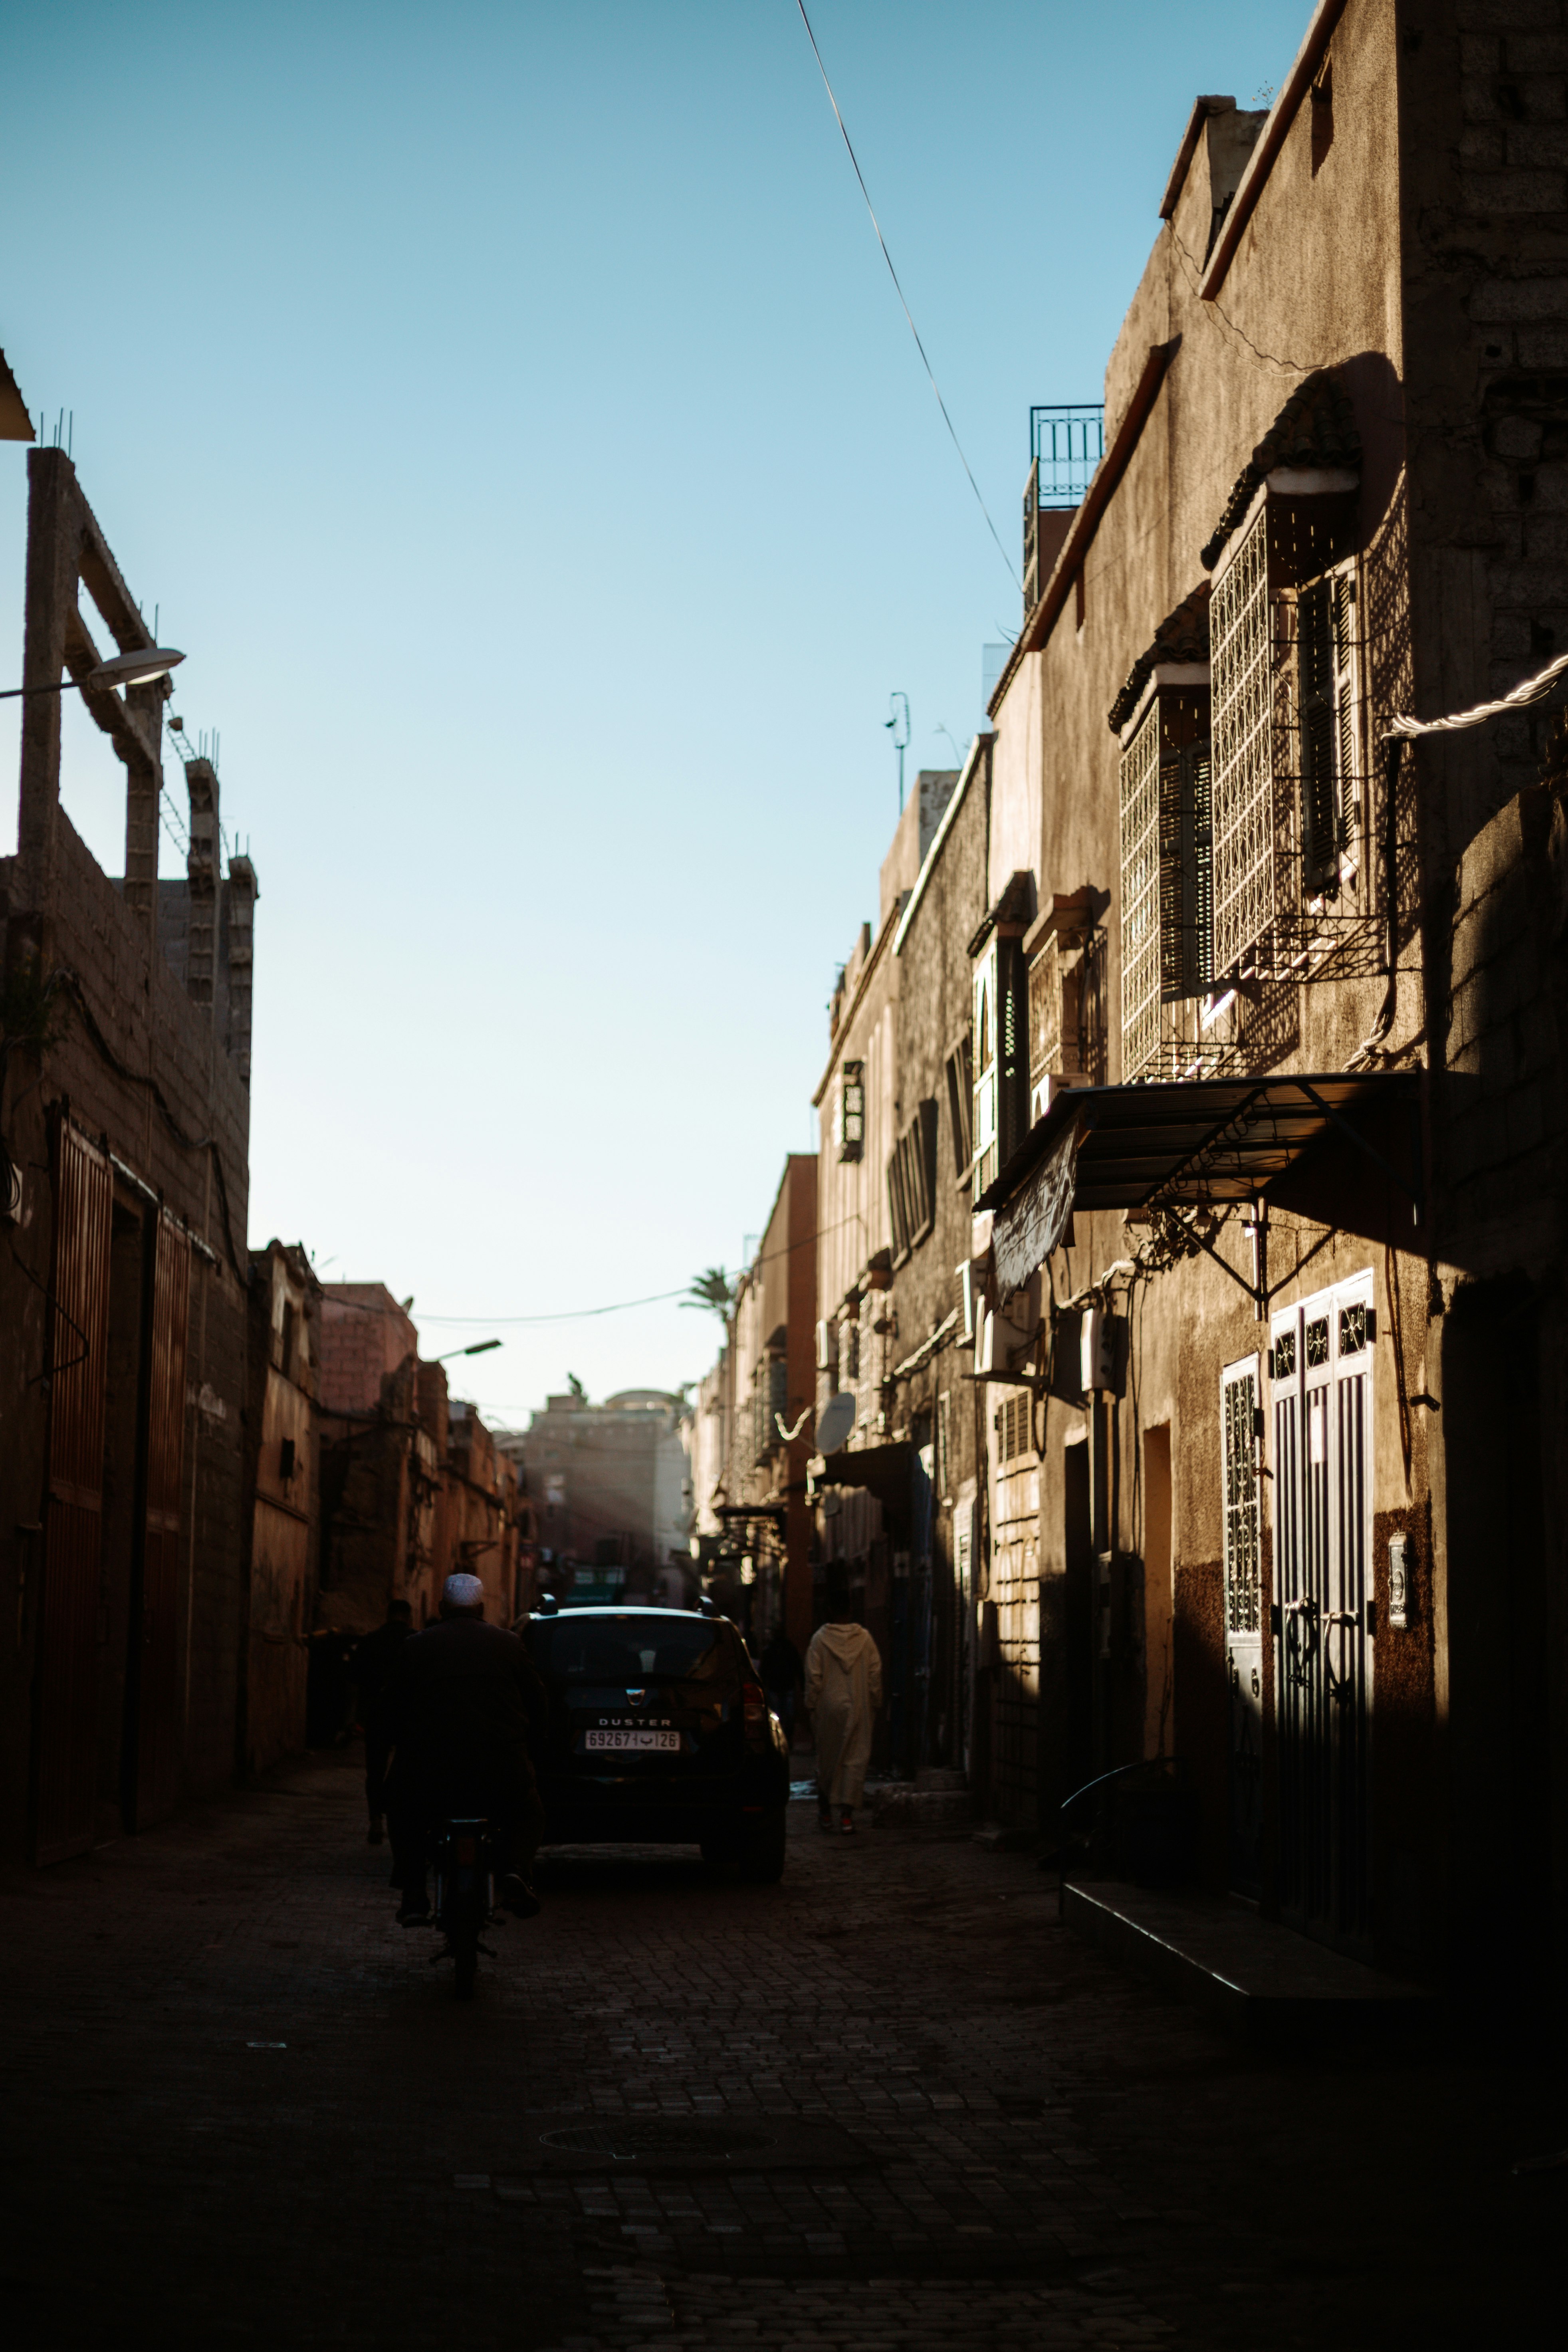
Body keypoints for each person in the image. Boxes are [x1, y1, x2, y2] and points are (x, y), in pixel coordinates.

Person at [385, 1572, 550, 1927]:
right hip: (500, 1768)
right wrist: (532, 1745)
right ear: (482, 1607)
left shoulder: (417, 1646)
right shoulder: (508, 1644)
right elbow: (537, 1702)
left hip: (429, 1771)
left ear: (442, 1607)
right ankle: (517, 1871)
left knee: (401, 1808)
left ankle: (414, 1891)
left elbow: (392, 1705)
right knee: (529, 1811)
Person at [804, 1569, 883, 1834]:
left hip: (829, 1709)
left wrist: (811, 1707)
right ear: (851, 1609)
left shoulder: (819, 1640)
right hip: (859, 1707)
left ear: (828, 1610)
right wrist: (875, 1703)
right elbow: (874, 1675)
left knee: (828, 1760)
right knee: (855, 1760)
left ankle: (825, 1813)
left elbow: (814, 1679)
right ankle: (847, 1817)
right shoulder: (866, 1640)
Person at [351, 1598, 413, 1846]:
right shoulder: (417, 1641)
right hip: (408, 1715)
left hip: (377, 1713)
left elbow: (354, 1679)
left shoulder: (371, 1641)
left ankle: (376, 1820)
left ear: (388, 1616)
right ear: (409, 1617)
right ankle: (405, 1821)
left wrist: (355, 1716)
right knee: (408, 1770)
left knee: (375, 1770)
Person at [757, 1621, 805, 1748]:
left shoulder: (773, 1649)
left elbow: (763, 1670)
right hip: (784, 1686)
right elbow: (798, 1667)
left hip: (778, 1686)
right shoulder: (787, 1648)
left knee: (781, 1717)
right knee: (785, 1717)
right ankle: (784, 1741)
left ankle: (781, 1741)